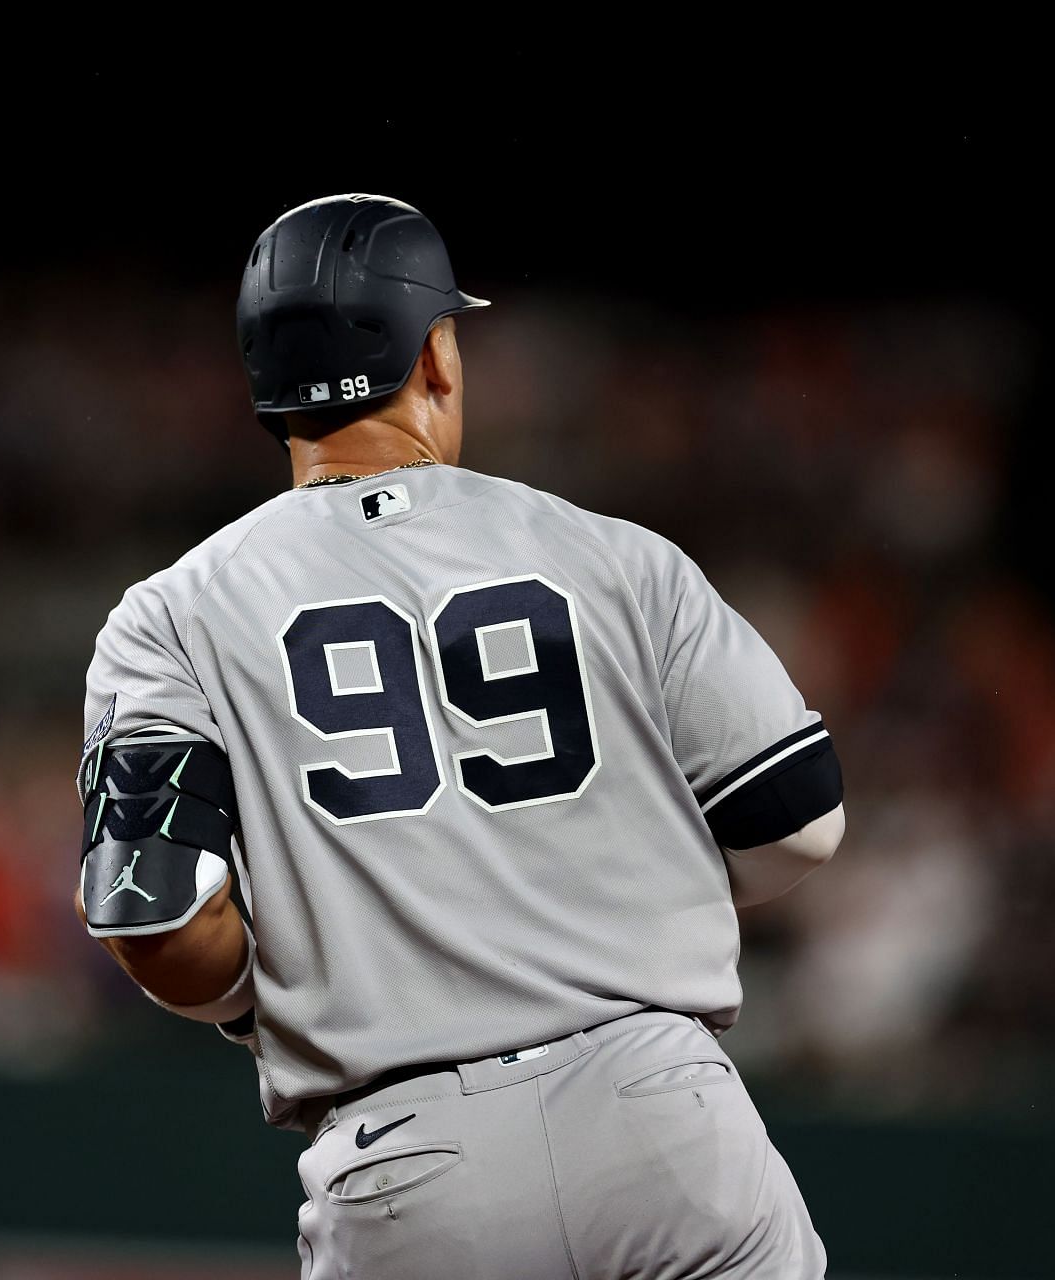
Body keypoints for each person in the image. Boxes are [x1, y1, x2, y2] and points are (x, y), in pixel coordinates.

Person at [74, 194, 844, 1278]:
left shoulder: (172, 613)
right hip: (666, 1118)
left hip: (406, 1164)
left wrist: (304, 963)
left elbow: (156, 919)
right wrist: (609, 884)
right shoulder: (611, 553)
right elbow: (799, 822)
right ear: (435, 354)